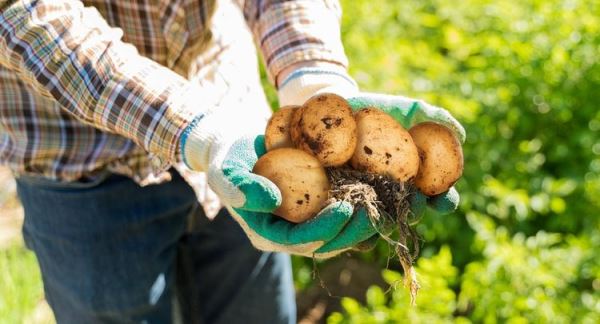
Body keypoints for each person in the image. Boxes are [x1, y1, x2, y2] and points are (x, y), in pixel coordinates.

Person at [0, 0, 465, 323]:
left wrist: (312, 73)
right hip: (80, 160)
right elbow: (32, 19)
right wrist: (201, 131)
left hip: (238, 139)